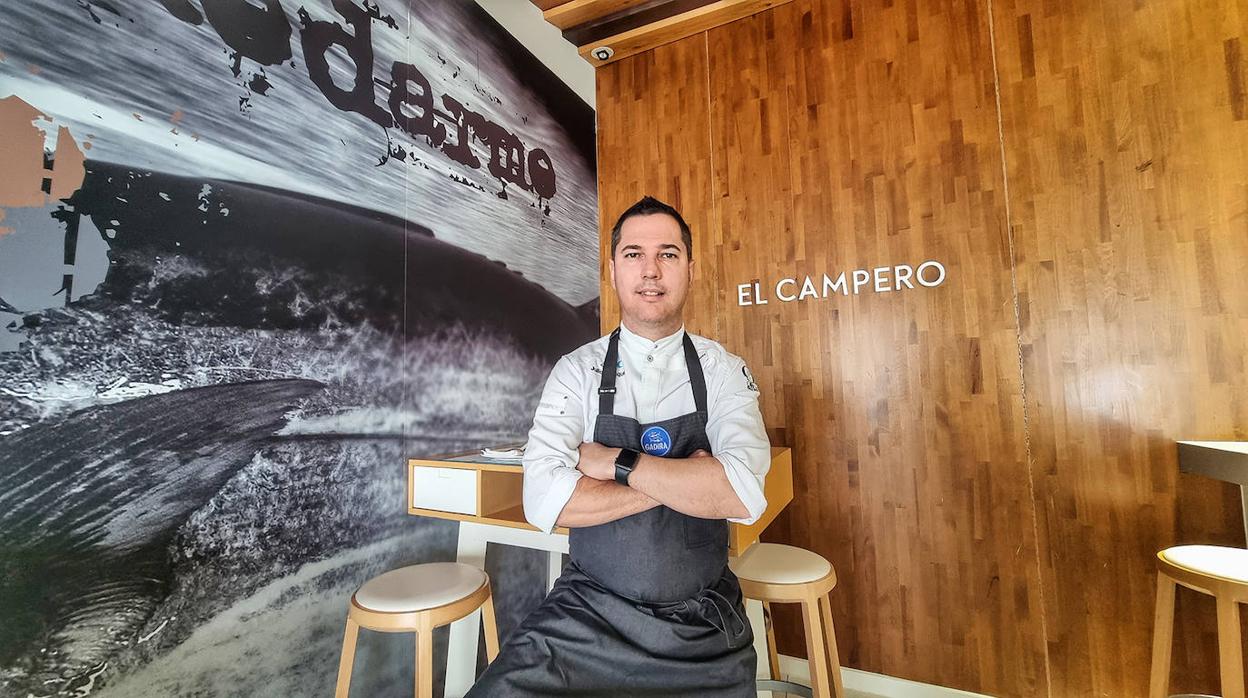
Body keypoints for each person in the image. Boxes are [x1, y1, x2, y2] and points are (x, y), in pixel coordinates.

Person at [465, 196, 771, 697]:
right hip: (586, 616)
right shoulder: (575, 370)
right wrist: (687, 476)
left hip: (703, 625)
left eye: (668, 254)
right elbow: (546, 499)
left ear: (690, 269)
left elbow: (741, 495)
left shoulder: (723, 371)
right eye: (634, 254)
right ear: (612, 270)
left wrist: (613, 462)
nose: (651, 270)